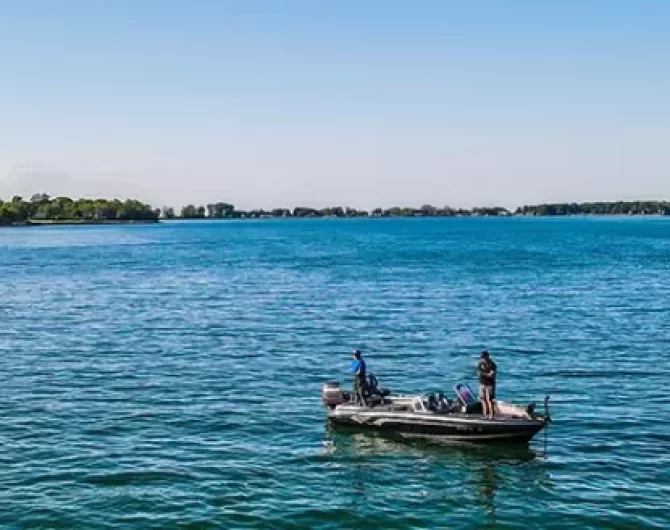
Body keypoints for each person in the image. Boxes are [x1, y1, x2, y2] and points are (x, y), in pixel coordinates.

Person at [477, 350, 497, 418]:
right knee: (483, 399)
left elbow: (491, 375)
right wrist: (485, 374)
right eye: (482, 358)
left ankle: (491, 415)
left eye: (484, 357)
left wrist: (483, 374)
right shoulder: (480, 364)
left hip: (489, 384)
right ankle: (485, 414)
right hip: (482, 383)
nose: (483, 359)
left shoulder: (492, 364)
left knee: (490, 400)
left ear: (487, 357)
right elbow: (478, 373)